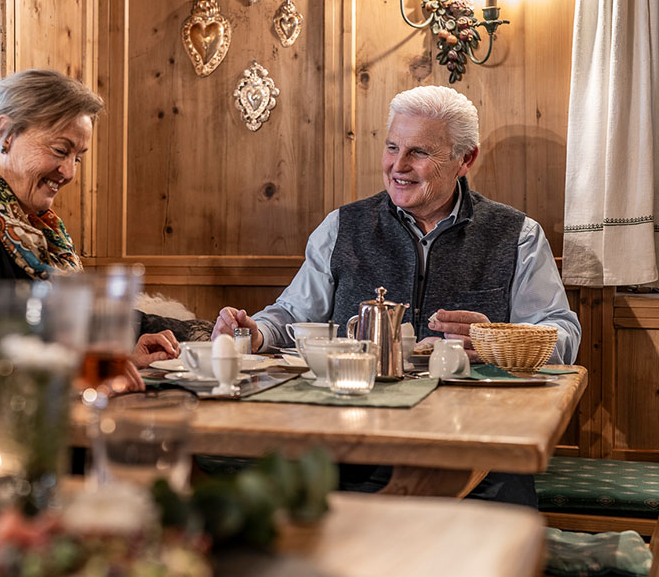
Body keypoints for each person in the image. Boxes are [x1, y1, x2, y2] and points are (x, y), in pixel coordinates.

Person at [212, 85, 581, 507]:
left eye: (419, 153)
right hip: (349, 445)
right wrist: (255, 332)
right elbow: (293, 314)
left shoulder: (518, 235)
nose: (397, 166)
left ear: (466, 159)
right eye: (392, 147)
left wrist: (498, 338)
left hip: (477, 450)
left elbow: (563, 336)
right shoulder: (341, 227)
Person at [0, 69, 177, 389]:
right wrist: (81, 372)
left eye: (78, 158)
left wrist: (122, 357)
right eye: (59, 150)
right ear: (6, 133)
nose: (69, 172)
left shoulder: (36, 232)